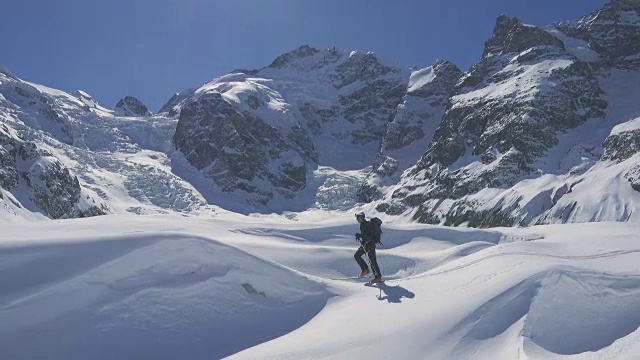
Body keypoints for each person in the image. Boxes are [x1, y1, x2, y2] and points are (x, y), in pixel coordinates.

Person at [354, 212, 384, 283]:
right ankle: (366, 270)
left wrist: (360, 236)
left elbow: (369, 237)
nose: (357, 219)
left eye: (358, 218)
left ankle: (378, 277)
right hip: (366, 245)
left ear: (361, 218)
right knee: (358, 256)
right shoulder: (362, 225)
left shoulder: (366, 225)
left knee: (372, 260)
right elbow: (365, 235)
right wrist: (361, 236)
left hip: (370, 245)